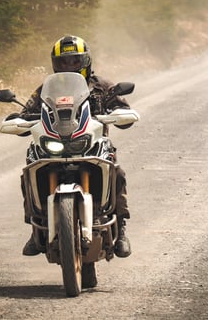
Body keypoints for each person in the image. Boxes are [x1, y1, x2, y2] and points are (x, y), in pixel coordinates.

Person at [19, 35, 132, 258]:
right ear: (54, 63)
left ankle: (122, 230)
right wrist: (19, 118)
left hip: (93, 145)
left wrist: (120, 112)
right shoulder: (46, 89)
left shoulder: (102, 86)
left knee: (117, 172)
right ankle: (35, 228)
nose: (69, 66)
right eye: (63, 62)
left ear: (86, 61)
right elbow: (27, 111)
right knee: (29, 168)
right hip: (55, 143)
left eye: (74, 61)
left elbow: (123, 107)